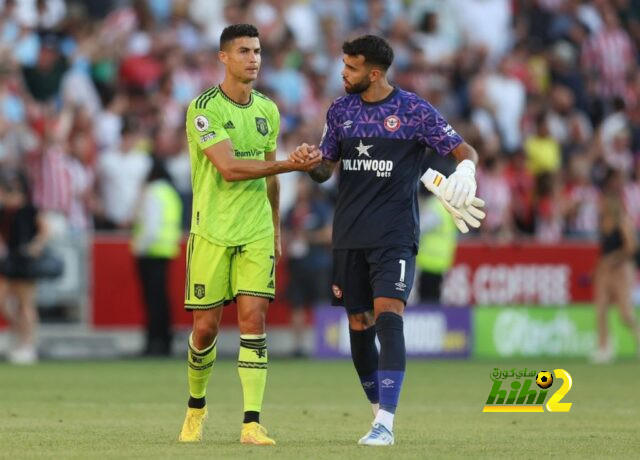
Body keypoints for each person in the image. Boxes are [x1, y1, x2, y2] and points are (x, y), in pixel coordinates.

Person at [290, 35, 483, 446]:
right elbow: (326, 167)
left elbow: (464, 149)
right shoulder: (340, 110)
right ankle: (378, 415)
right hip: (348, 234)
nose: (343, 72)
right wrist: (312, 166)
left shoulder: (413, 110)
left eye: (351, 67)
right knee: (359, 322)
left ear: (374, 73)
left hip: (394, 234)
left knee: (388, 314)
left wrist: (465, 171)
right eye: (343, 64)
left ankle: (387, 424)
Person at [177, 24, 321, 446]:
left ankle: (251, 423)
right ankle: (196, 408)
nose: (253, 58)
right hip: (212, 231)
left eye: (257, 51)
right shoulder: (203, 109)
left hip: (256, 230)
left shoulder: (268, 110)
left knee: (254, 321)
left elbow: (269, 177)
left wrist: (275, 228)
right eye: (243, 51)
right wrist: (290, 167)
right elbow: (230, 168)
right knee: (205, 329)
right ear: (224, 57)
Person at [131, 157, 183, 357]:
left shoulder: (152, 192)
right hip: (166, 250)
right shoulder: (170, 193)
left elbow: (150, 226)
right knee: (162, 299)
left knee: (152, 301)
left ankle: (153, 342)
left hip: (150, 251)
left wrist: (139, 246)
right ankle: (165, 341)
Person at [0, 171, 49, 365]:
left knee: (25, 304)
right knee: (3, 302)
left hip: (24, 261)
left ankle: (27, 344)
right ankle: (19, 332)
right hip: (6, 261)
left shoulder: (29, 210)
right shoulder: (3, 212)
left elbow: (45, 230)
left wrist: (36, 245)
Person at [592, 172, 640, 363]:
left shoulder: (622, 221)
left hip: (622, 269)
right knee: (601, 309)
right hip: (605, 271)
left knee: (625, 313)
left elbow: (630, 248)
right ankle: (605, 348)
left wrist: (611, 259)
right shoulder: (603, 222)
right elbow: (603, 250)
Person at [283, 175, 332, 356]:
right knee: (296, 305)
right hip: (297, 264)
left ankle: (323, 345)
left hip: (317, 263)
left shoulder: (319, 208)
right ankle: (298, 347)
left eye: (302, 185)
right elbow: (285, 234)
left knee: (320, 304)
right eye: (297, 185)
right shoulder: (290, 211)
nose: (299, 189)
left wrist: (307, 237)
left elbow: (328, 235)